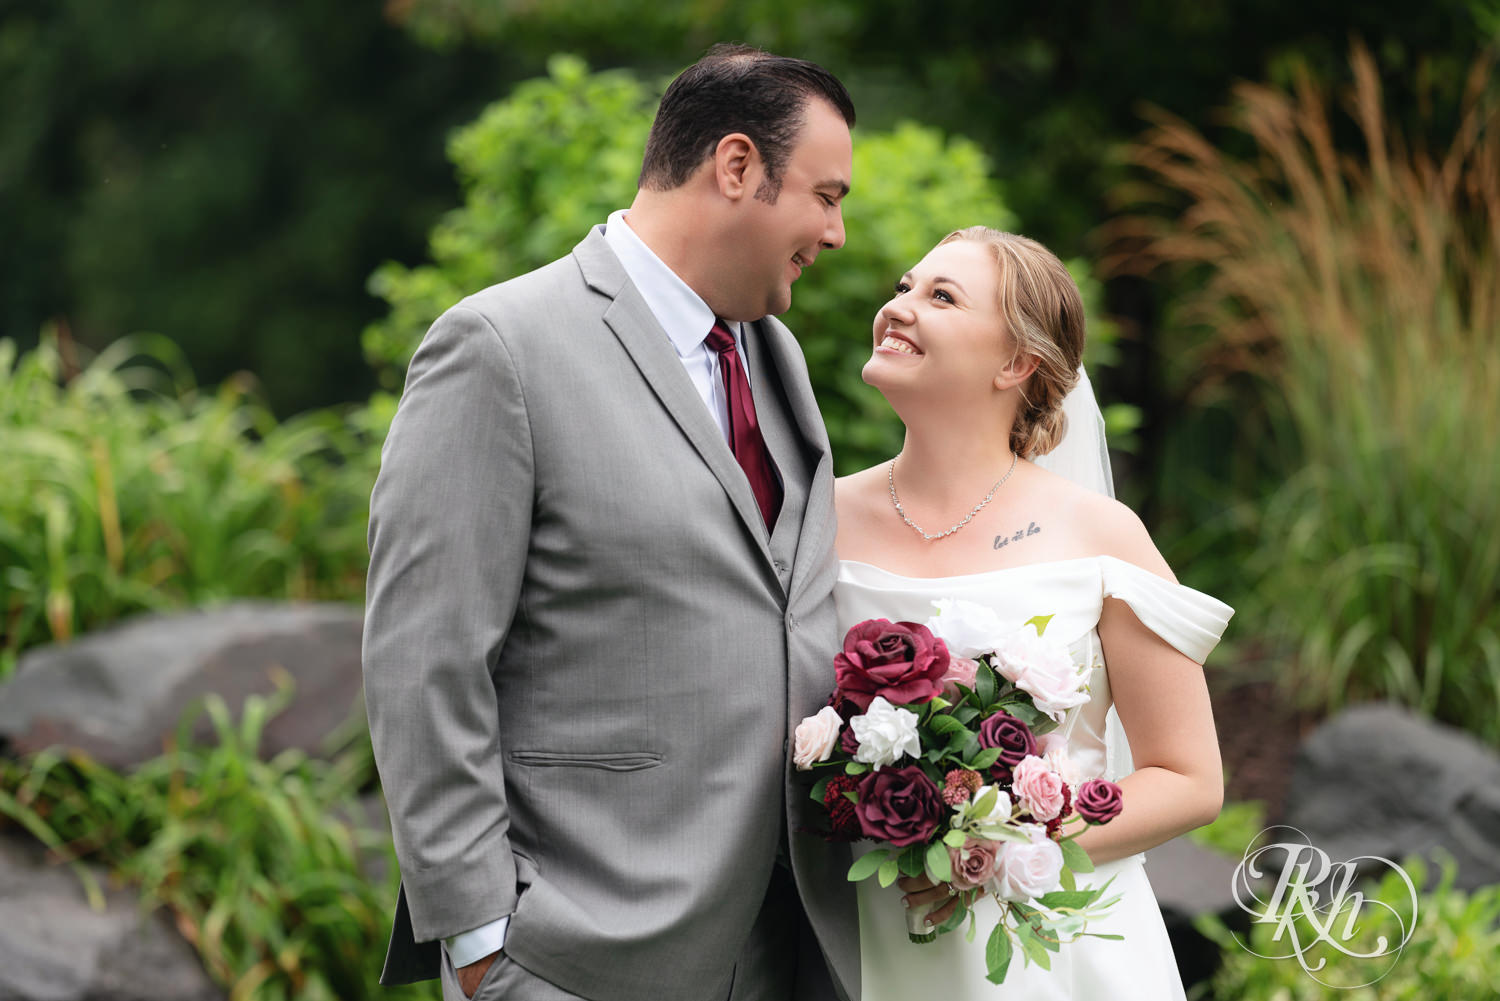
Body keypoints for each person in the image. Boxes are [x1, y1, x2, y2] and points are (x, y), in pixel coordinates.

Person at [362, 45, 859, 1001]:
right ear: (737, 166)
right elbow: (426, 658)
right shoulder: (500, 348)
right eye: (826, 195)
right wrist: (479, 943)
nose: (836, 232)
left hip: (785, 951)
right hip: (577, 957)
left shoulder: (775, 353)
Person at [832, 227, 1232, 999]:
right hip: (866, 935)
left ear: (1017, 364)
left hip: (1058, 951)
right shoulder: (818, 519)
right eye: (905, 285)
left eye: (940, 296)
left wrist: (998, 848)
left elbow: (1187, 776)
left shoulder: (1102, 536)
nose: (899, 307)